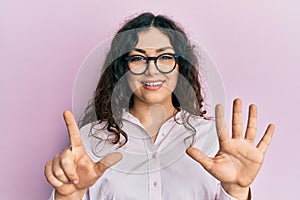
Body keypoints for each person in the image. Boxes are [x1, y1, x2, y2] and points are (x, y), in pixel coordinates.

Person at [44, 12, 275, 200]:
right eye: (138, 58)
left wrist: (236, 192)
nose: (152, 69)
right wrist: (67, 197)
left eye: (165, 57)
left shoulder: (212, 138)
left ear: (179, 66)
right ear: (123, 68)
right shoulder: (91, 139)